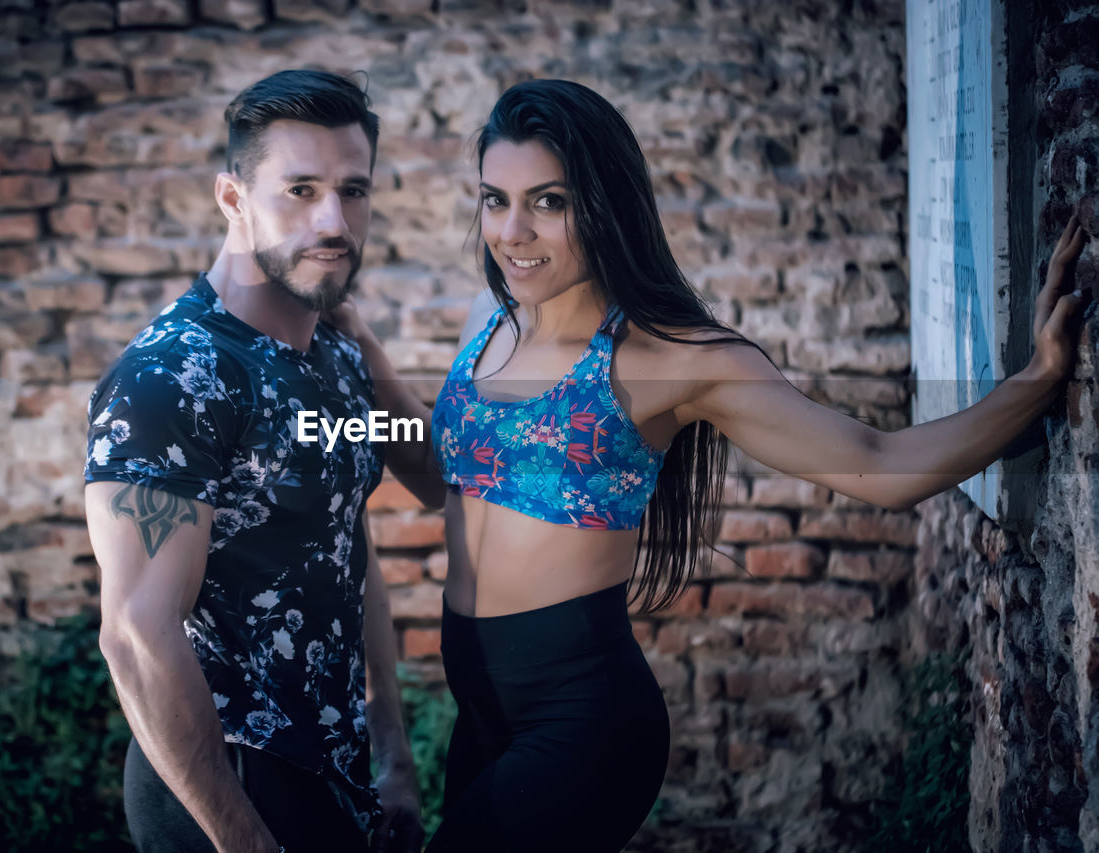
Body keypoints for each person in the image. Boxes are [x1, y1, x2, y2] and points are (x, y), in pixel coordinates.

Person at [327, 79, 1091, 852]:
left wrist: (1035, 382)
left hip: (582, 722)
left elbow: (881, 464)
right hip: (483, 711)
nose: (513, 231)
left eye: (548, 202)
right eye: (495, 199)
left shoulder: (670, 355)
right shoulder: (487, 319)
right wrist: (362, 349)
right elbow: (434, 476)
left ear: (601, 202)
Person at [83, 70, 424, 853]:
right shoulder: (172, 376)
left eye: (354, 190)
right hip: (222, 786)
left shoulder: (337, 357)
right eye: (299, 190)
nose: (333, 220)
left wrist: (391, 752)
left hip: (337, 780)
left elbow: (353, 539)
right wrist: (247, 842)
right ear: (233, 199)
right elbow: (136, 635)